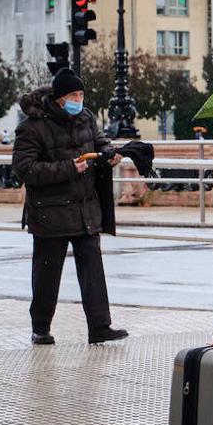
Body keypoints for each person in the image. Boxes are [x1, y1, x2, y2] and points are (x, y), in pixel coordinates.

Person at [11, 67, 129, 346]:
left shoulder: (85, 117)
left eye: (81, 94)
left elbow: (98, 142)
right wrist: (68, 168)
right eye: (74, 95)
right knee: (47, 274)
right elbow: (25, 169)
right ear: (60, 99)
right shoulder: (32, 126)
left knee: (93, 270)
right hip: (49, 212)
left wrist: (108, 154)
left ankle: (100, 326)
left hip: (84, 208)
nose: (79, 99)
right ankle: (40, 327)